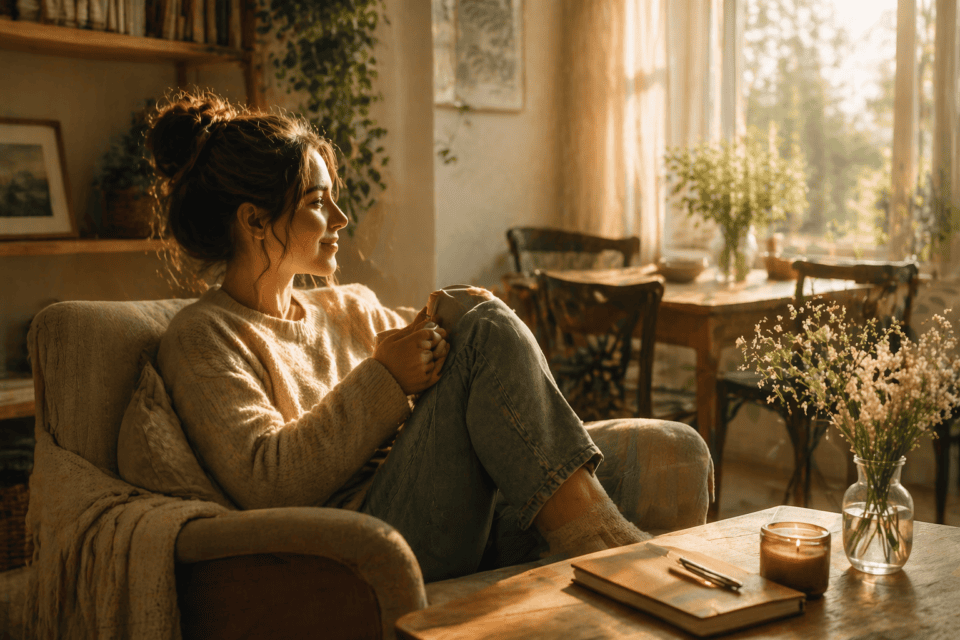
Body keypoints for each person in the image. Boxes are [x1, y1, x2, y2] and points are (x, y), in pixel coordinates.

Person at [148, 91, 710, 583]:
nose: (342, 218)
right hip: (365, 535)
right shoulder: (202, 337)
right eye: (318, 203)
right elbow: (267, 482)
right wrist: (385, 376)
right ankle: (621, 558)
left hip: (456, 505)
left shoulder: (349, 305)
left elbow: (468, 375)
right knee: (486, 329)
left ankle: (644, 599)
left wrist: (458, 315)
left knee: (675, 449)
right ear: (253, 220)